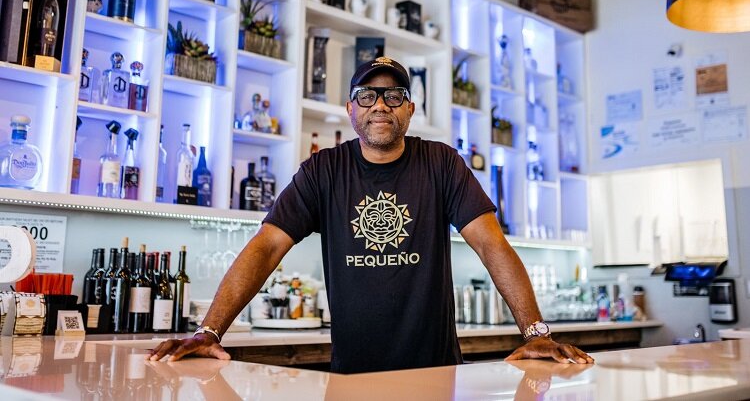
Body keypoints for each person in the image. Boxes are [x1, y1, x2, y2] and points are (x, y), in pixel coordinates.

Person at [149, 56, 594, 373]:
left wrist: (535, 332)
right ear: (350, 109)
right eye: (367, 95)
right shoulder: (324, 170)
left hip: (437, 373)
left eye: (393, 95)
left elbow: (491, 244)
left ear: (409, 110)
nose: (380, 104)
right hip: (352, 376)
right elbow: (267, 246)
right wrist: (209, 331)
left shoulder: (441, 163)